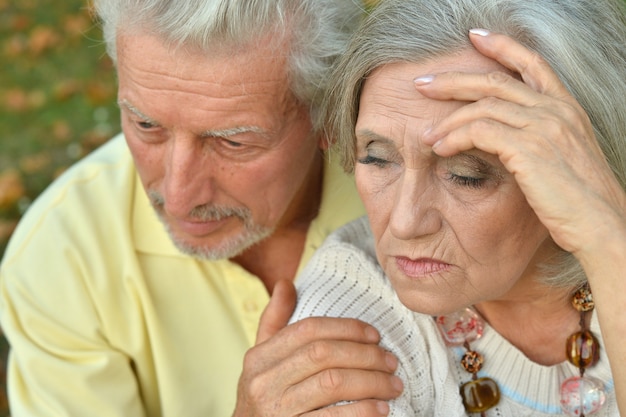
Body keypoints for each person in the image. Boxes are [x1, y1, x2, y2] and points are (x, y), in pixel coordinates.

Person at [0, 1, 404, 416]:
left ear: (331, 115)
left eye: (233, 142)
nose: (178, 197)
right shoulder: (59, 256)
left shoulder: (423, 201)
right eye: (146, 126)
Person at [290, 0, 626, 415]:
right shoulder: (350, 300)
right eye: (377, 158)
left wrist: (609, 245)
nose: (405, 221)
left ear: (578, 162)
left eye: (466, 174)